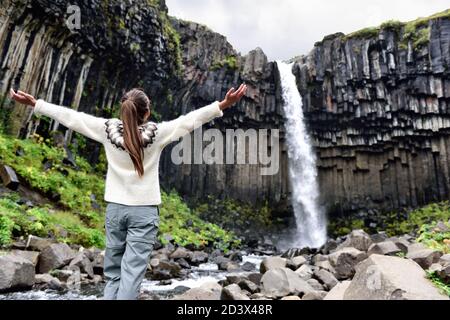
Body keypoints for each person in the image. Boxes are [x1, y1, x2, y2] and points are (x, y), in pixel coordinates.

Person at [9, 84, 247, 300]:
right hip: (143, 213)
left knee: (113, 273)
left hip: (115, 210)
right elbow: (190, 120)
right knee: (131, 275)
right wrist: (224, 104)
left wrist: (35, 104)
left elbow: (72, 118)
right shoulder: (158, 134)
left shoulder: (106, 130)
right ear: (146, 113)